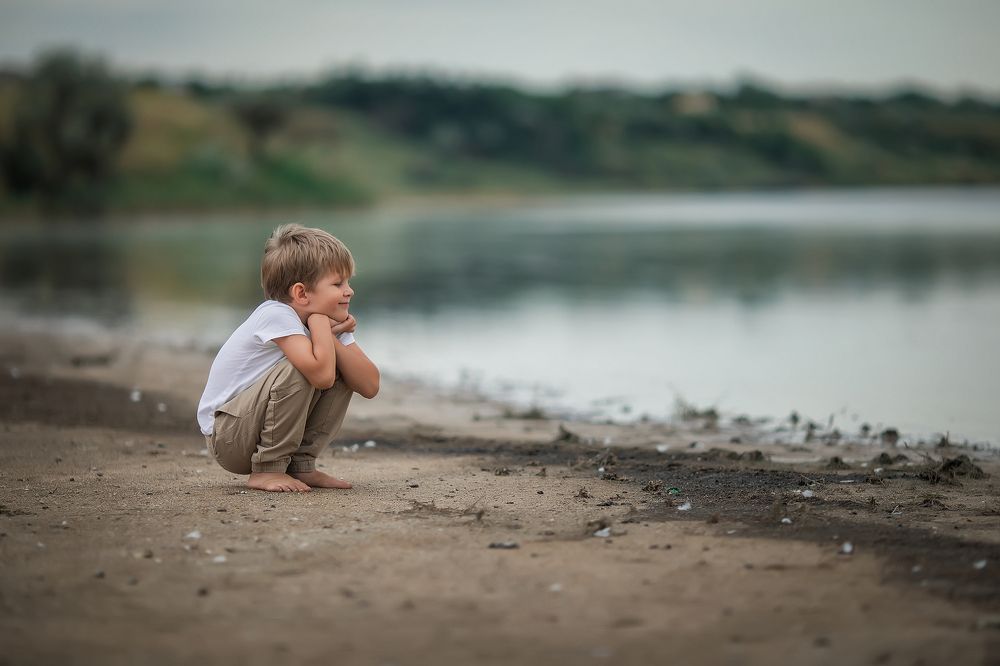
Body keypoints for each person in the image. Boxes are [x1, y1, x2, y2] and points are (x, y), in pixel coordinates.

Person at [197, 224, 379, 493]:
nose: (349, 290)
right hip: (228, 437)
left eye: (348, 282)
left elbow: (370, 385)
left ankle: (301, 466)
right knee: (304, 367)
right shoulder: (276, 314)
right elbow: (320, 375)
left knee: (339, 366)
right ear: (301, 294)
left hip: (252, 428)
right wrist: (320, 325)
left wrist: (329, 335)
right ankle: (267, 468)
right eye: (338, 283)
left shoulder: (327, 324)